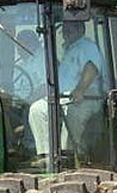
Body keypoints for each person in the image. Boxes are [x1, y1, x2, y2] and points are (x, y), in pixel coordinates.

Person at [28, 20, 107, 160]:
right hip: (62, 97)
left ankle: (69, 155)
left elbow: (91, 67)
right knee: (37, 109)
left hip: (88, 95)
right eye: (64, 30)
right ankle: (46, 155)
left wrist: (80, 90)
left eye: (69, 30)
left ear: (80, 29)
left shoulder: (87, 46)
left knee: (72, 113)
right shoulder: (68, 50)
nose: (65, 33)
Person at [12, 29, 44, 101]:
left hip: (38, 103)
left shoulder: (43, 59)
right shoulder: (20, 66)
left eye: (20, 45)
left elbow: (45, 88)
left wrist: (28, 102)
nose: (18, 49)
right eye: (17, 45)